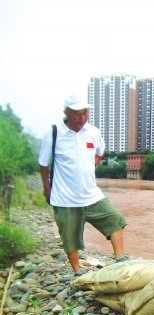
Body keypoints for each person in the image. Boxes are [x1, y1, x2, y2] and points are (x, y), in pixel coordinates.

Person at [38, 94, 127, 276]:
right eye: (77, 113)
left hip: (92, 195)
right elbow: (43, 164)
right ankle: (77, 272)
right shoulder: (54, 133)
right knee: (70, 238)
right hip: (65, 198)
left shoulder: (93, 131)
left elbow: (101, 151)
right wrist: (47, 189)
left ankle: (120, 260)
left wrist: (91, 164)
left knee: (115, 220)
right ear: (66, 113)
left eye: (85, 112)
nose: (82, 117)